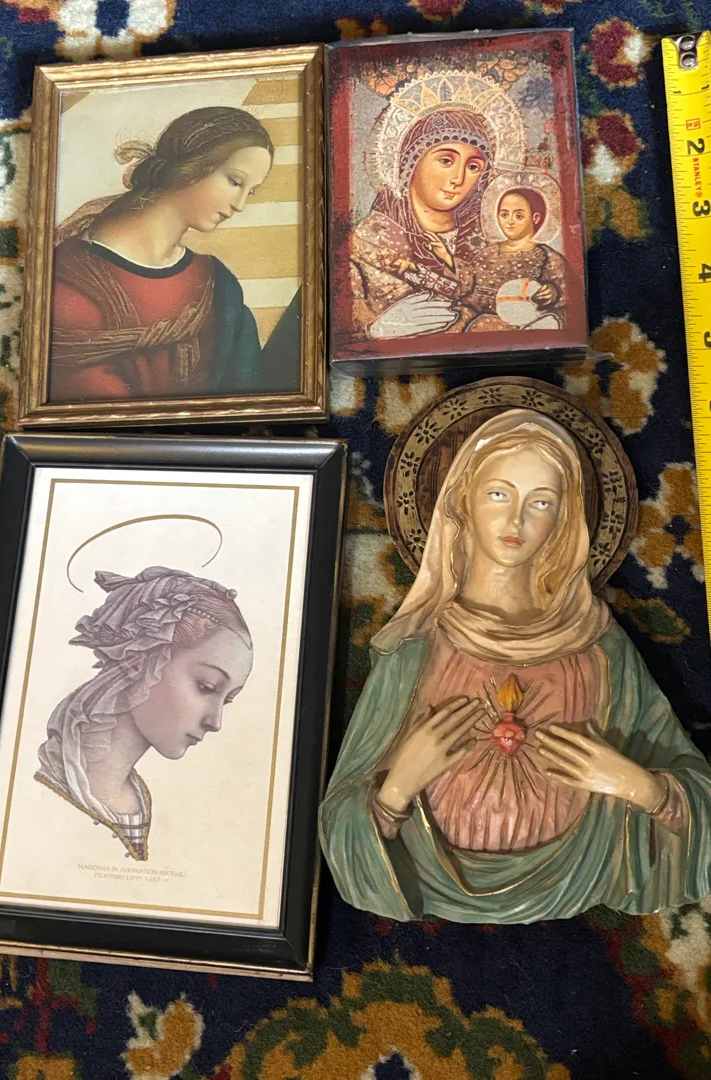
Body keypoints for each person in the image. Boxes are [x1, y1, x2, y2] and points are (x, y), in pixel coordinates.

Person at [319, 411, 711, 922]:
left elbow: (700, 804)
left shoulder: (600, 646)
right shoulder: (415, 647)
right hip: (428, 875)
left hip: (579, 872)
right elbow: (337, 825)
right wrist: (395, 790)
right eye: (498, 494)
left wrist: (640, 787)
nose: (516, 521)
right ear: (462, 501)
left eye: (541, 502)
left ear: (564, 518)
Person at [48, 107, 297, 403]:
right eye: (234, 181)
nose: (240, 204)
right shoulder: (74, 280)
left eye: (250, 192)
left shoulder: (217, 284)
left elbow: (247, 394)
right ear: (192, 167)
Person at [36, 567, 253, 860]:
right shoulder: (43, 786)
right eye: (206, 686)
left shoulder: (148, 804)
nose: (215, 722)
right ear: (144, 658)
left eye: (227, 700)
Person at [348, 108, 493, 341]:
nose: (458, 178)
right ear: (411, 162)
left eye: (473, 167)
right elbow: (339, 332)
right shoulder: (366, 245)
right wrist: (376, 331)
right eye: (446, 160)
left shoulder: (488, 245)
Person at [454, 187, 568, 331]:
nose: (510, 221)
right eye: (504, 215)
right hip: (474, 313)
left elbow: (566, 288)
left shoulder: (546, 255)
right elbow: (468, 284)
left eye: (518, 216)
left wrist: (553, 292)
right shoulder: (487, 253)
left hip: (518, 321)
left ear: (535, 218)